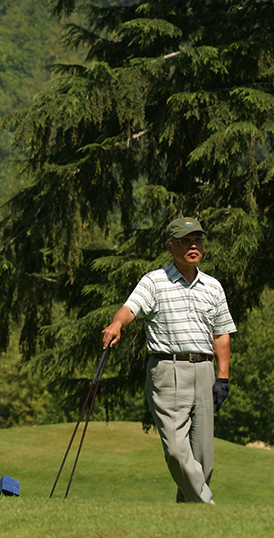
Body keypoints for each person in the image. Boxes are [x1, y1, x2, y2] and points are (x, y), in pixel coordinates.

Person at [101, 216, 235, 504]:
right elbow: (130, 308)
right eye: (185, 241)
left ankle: (189, 516)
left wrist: (222, 377)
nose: (193, 245)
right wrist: (116, 325)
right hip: (167, 369)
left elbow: (222, 333)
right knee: (176, 450)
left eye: (197, 239)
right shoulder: (154, 281)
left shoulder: (213, 287)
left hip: (205, 371)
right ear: (170, 247)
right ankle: (207, 507)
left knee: (202, 458)